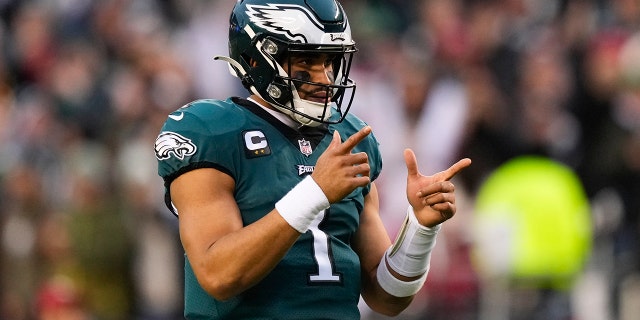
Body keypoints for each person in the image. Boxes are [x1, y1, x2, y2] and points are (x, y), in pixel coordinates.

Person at [154, 0, 471, 318]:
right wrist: (315, 193)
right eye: (306, 60)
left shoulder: (349, 137)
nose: (325, 77)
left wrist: (420, 228)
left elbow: (386, 297)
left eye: (330, 61)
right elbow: (218, 275)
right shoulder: (213, 130)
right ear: (254, 58)